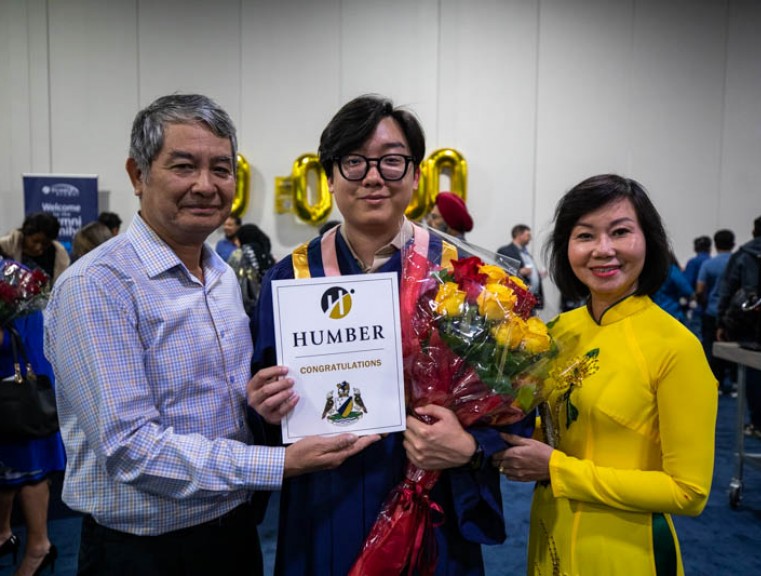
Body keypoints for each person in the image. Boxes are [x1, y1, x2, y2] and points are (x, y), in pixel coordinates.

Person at [42, 93, 377, 575]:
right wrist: (278, 464)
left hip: (232, 533)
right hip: (145, 551)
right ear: (138, 176)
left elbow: (212, 399)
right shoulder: (98, 286)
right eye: (183, 166)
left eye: (221, 169)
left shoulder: (219, 275)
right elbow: (130, 447)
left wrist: (255, 403)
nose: (206, 185)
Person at [250, 94, 516, 575]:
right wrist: (266, 409)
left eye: (392, 161)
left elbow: (510, 411)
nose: (373, 176)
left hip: (433, 506)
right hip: (327, 502)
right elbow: (269, 418)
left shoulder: (467, 280)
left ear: (416, 175)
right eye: (354, 161)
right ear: (329, 177)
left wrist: (472, 448)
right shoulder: (289, 281)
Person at [493, 174, 717, 575]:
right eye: (586, 236)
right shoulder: (559, 330)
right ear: (567, 247)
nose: (603, 250)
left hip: (628, 552)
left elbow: (688, 492)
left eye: (620, 232)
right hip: (551, 536)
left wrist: (557, 470)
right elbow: (554, 427)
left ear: (648, 240)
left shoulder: (676, 347)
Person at [0, 258, 66, 576]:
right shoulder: (13, 273)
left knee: (29, 466)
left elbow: (13, 338)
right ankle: (4, 535)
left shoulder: (11, 278)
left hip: (20, 392)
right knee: (10, 469)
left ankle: (40, 546)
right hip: (19, 386)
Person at [717, 214, 761, 439]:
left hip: (750, 321)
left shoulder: (743, 255)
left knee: (754, 371)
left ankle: (758, 422)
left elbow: (727, 289)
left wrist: (722, 320)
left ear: (754, 231)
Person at [696, 229, 736, 394]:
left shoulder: (708, 264)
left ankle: (714, 381)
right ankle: (734, 382)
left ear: (715, 244)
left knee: (710, 347)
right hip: (733, 314)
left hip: (711, 312)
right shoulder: (738, 263)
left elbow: (700, 289)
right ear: (733, 244)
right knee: (734, 349)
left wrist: (705, 305)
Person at [0, 213, 70, 284]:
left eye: (45, 244)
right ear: (26, 234)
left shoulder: (58, 255)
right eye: (35, 241)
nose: (38, 247)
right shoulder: (4, 248)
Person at [227, 223, 276, 315]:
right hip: (267, 303)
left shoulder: (239, 254)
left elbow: (228, 279)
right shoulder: (268, 255)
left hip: (245, 306)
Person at [497, 224, 545, 310]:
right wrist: (520, 272)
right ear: (519, 235)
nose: (530, 238)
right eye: (528, 235)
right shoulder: (504, 251)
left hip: (531, 300)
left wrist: (537, 275)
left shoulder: (526, 253)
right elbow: (501, 273)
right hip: (517, 300)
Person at [651, 252, 694, 327]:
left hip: (654, 313)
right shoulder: (671, 270)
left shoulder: (651, 272)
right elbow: (687, 290)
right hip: (672, 312)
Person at [683, 235, 711, 339]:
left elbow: (686, 285)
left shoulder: (693, 263)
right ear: (709, 248)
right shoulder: (712, 262)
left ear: (695, 248)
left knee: (696, 337)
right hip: (712, 308)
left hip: (697, 306)